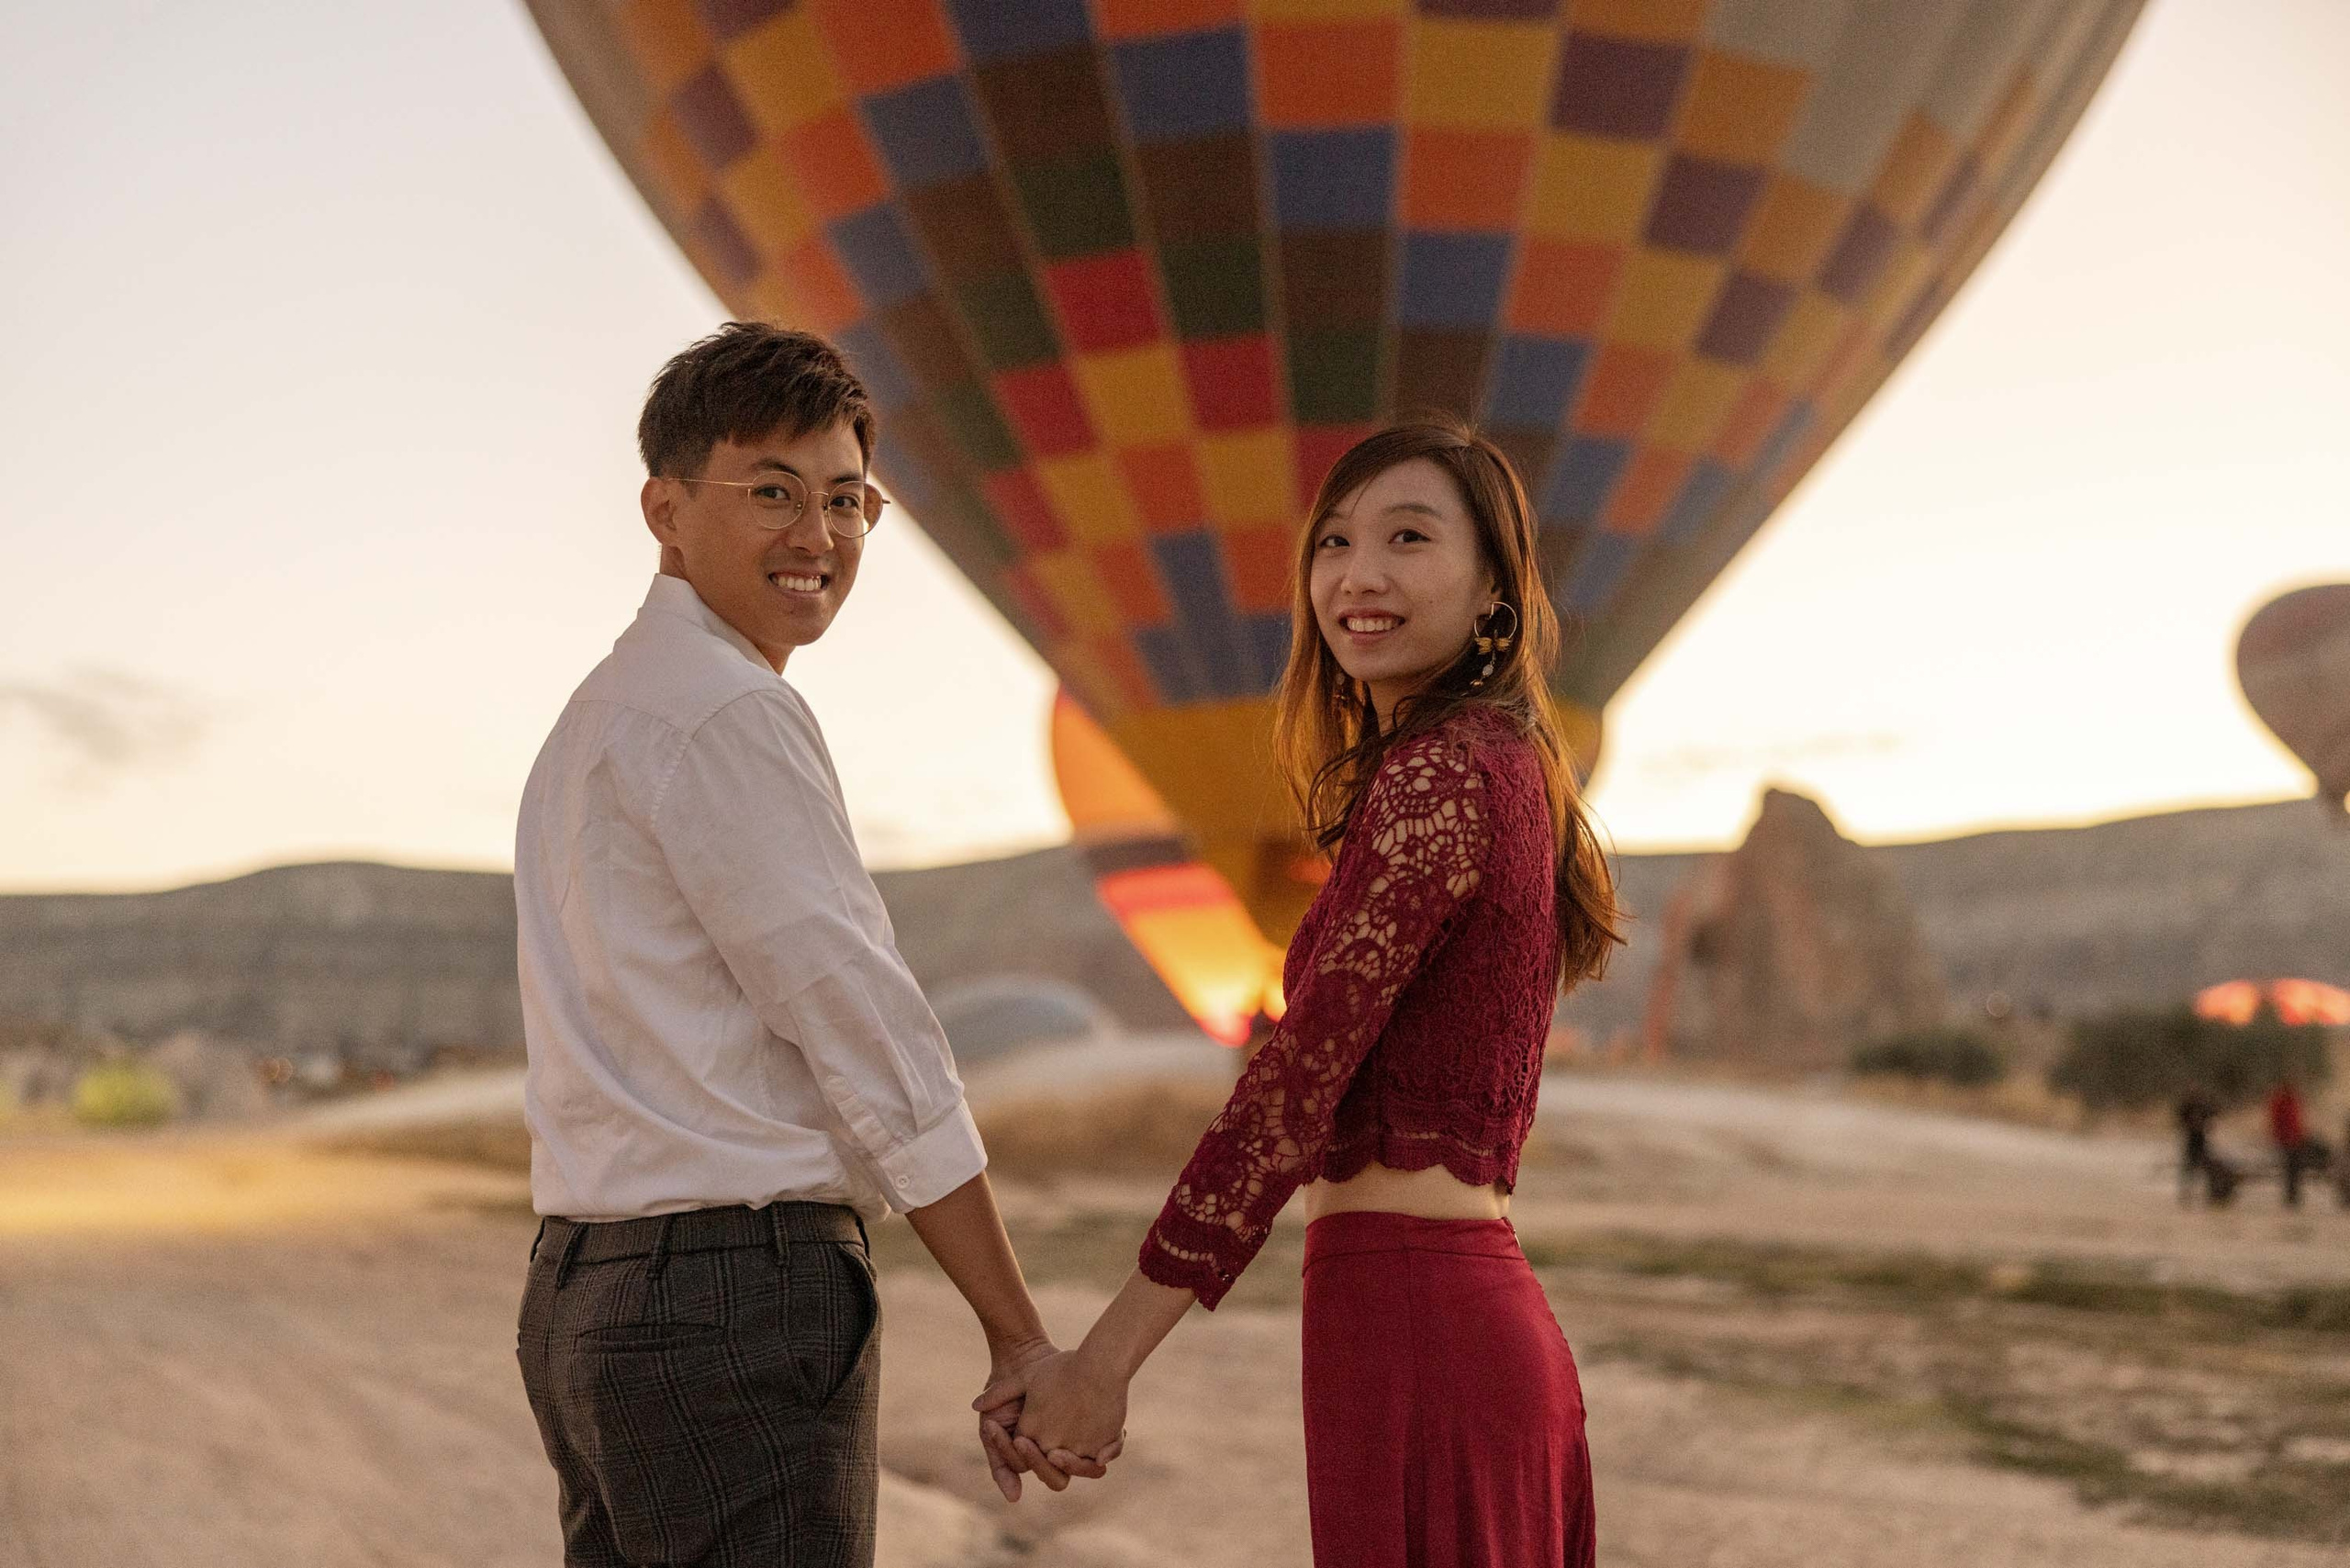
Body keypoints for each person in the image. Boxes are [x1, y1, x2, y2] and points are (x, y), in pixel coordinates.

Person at [977, 418, 1624, 1563]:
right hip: (1454, 1315)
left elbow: (1292, 1086)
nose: (1357, 574)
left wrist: (1102, 1364)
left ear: (1494, 591)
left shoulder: (1440, 774)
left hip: (1418, 1323)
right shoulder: (1502, 765)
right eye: (1333, 542)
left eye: (1408, 538)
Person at [512, 324, 1108, 1566]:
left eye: (847, 500)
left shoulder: (593, 721)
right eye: (772, 493)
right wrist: (1016, 1333)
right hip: (727, 1297)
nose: (819, 535)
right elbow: (866, 1031)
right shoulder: (729, 708)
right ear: (665, 510)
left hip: (585, 1293)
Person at [2268, 1077, 2310, 1207]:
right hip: (2287, 1140)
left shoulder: (2292, 1100)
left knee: (2294, 1170)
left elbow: (2297, 1120)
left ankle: (2293, 1195)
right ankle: (2291, 1196)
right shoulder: (2281, 1102)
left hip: (2295, 1140)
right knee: (2290, 1169)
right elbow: (2277, 1121)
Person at [2176, 1090, 2217, 1205]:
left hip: (2200, 1138)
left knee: (2204, 1166)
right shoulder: (2188, 1106)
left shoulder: (2202, 1106)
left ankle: (2205, 1192)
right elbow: (2180, 1119)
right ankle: (2187, 1193)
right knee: (2189, 1167)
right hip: (2192, 1139)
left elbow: (2211, 1115)